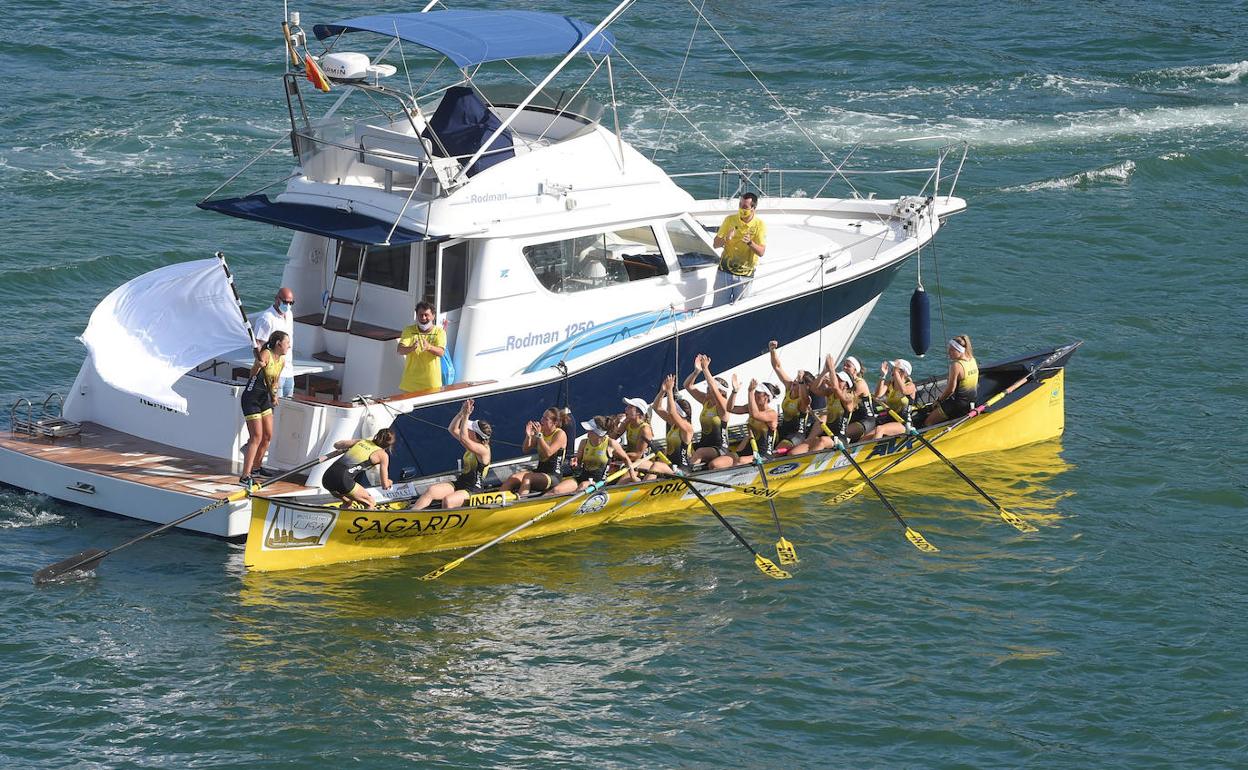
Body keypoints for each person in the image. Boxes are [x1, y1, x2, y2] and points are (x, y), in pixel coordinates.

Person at [410, 399, 493, 511]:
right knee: (432, 490)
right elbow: (452, 429)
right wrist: (461, 413)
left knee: (449, 500)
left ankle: (446, 527)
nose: (467, 430)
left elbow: (463, 438)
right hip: (461, 483)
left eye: (470, 430)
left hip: (473, 490)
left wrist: (467, 416)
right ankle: (412, 514)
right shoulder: (471, 443)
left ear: (475, 434)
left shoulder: (484, 450)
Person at [239, 331, 290, 487]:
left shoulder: (282, 360)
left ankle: (256, 468)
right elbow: (252, 375)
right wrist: (257, 366)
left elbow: (274, 381)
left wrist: (274, 396)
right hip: (251, 398)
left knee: (267, 435)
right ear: (278, 344)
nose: (289, 346)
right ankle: (245, 476)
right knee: (257, 437)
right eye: (287, 343)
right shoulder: (266, 354)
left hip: (264, 398)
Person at [548, 416, 637, 495]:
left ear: (599, 433)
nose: (587, 431)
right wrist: (575, 465)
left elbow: (626, 459)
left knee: (582, 487)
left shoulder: (611, 444)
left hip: (599, 482)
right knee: (556, 490)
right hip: (582, 477)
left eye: (590, 430)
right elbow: (578, 463)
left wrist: (633, 477)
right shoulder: (584, 443)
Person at [712, 192, 767, 306]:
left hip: (745, 276)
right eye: (740, 205)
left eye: (745, 207)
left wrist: (750, 243)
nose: (741, 209)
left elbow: (761, 252)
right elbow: (716, 244)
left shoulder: (759, 225)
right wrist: (726, 239)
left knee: (739, 309)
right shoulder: (730, 220)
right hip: (724, 272)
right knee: (717, 309)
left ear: (753, 208)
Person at [712, 379, 780, 469]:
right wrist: (734, 391)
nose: (755, 394)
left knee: (740, 462)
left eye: (758, 393)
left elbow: (755, 415)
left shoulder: (772, 414)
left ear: (766, 397)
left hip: (763, 454)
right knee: (715, 464)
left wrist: (750, 392)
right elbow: (730, 409)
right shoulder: (750, 408)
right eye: (755, 392)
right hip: (747, 450)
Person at [500, 406, 568, 495]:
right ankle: (497, 501)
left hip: (553, 475)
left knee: (528, 477)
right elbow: (525, 449)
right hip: (539, 470)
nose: (541, 421)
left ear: (554, 423)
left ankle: (521, 502)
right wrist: (528, 436)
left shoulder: (560, 434)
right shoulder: (541, 432)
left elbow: (549, 452)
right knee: (513, 478)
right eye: (542, 417)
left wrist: (539, 436)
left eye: (545, 419)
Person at [324, 429, 396, 508]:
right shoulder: (383, 455)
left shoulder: (362, 441)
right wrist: (389, 482)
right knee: (370, 503)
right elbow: (385, 485)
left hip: (327, 477)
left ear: (376, 436)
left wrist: (354, 446)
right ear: (390, 445)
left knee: (348, 502)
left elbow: (337, 445)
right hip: (342, 479)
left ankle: (344, 513)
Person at [684, 354, 733, 465]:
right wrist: (697, 371)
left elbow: (713, 388)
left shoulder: (724, 405)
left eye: (709, 388)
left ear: (721, 392)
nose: (707, 389)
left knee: (700, 452)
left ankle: (686, 473)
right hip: (703, 444)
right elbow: (687, 385)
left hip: (720, 448)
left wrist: (706, 369)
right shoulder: (706, 401)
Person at [767, 340, 813, 451]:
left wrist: (801, 381)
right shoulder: (790, 386)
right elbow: (777, 367)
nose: (794, 382)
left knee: (775, 452)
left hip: (797, 435)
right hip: (784, 429)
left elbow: (805, 398)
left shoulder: (805, 400)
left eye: (799, 382)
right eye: (796, 379)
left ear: (805, 387)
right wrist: (772, 350)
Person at [251, 287, 296, 398]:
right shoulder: (267, 319)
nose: (288, 305)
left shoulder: (289, 314)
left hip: (289, 370)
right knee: (274, 405)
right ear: (277, 299)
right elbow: (257, 345)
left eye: (291, 303)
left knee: (288, 405)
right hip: (273, 373)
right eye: (285, 302)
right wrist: (261, 366)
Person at [925, 335, 979, 426]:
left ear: (960, 350)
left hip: (957, 405)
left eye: (951, 350)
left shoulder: (956, 365)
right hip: (971, 402)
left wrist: (938, 401)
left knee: (928, 421)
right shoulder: (972, 360)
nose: (948, 353)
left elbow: (950, 390)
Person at [397, 301, 446, 393]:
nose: (423, 318)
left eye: (426, 315)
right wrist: (410, 349)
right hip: (410, 384)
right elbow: (400, 350)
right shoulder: (409, 330)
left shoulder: (439, 332)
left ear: (433, 316)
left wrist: (429, 347)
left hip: (431, 384)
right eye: (420, 315)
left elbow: (441, 352)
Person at [863, 359, 917, 440]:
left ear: (902, 372)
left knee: (880, 429)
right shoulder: (890, 384)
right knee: (864, 438)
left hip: (903, 422)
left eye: (894, 369)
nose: (892, 371)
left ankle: (872, 450)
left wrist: (896, 372)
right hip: (889, 418)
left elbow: (904, 391)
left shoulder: (910, 386)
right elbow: (878, 395)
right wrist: (883, 376)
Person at [841, 355, 877, 441]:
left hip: (866, 420)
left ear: (855, 370)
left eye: (848, 366)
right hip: (853, 417)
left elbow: (847, 403)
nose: (845, 367)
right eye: (844, 365)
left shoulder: (859, 383)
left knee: (841, 433)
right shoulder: (845, 381)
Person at [617, 396, 654, 462]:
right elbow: (614, 436)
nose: (626, 409)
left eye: (630, 407)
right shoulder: (628, 422)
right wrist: (618, 422)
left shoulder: (645, 429)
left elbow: (638, 455)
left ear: (638, 412)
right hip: (627, 458)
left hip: (640, 462)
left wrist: (616, 455)